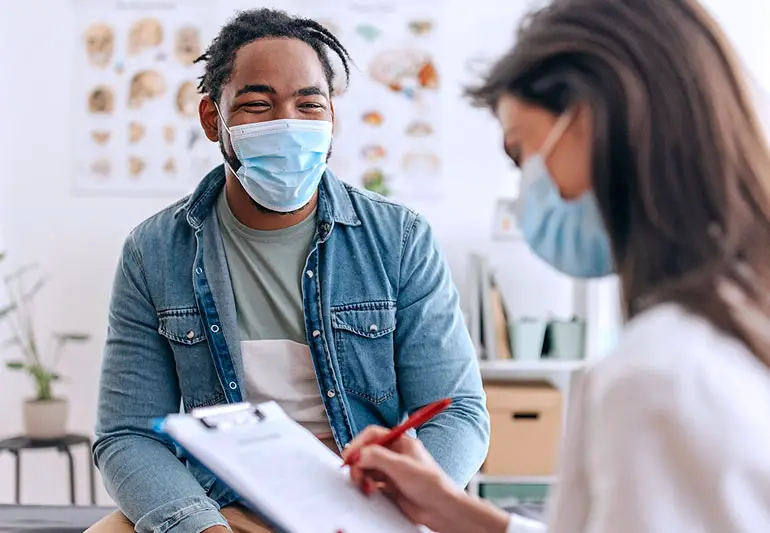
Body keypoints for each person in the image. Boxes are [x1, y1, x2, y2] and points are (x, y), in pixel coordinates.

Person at [343, 0, 770, 532]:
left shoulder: (661, 376)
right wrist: (452, 510)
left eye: (521, 155)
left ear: (589, 122)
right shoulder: (736, 314)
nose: (524, 192)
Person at [88, 9, 489, 533]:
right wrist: (201, 528)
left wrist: (391, 509)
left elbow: (458, 414)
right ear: (214, 120)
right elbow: (127, 434)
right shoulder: (154, 251)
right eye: (258, 105)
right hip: (223, 507)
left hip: (367, 503)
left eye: (309, 105)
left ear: (332, 119)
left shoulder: (400, 240)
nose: (289, 124)